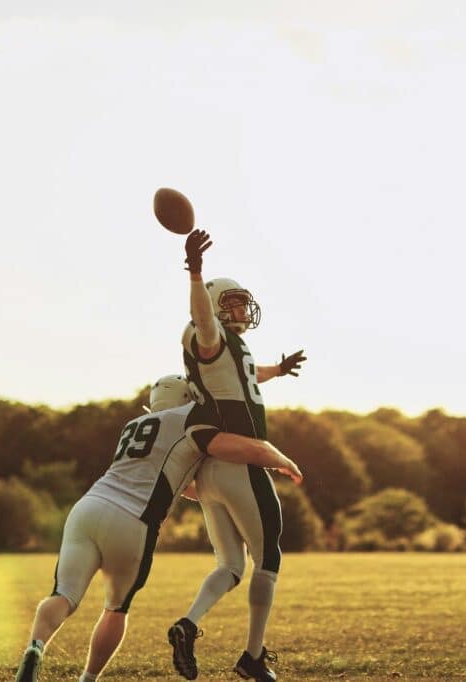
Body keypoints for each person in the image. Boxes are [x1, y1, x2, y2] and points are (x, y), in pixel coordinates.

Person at [14, 375, 303, 682]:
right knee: (115, 609)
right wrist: (279, 458)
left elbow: (177, 482)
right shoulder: (189, 420)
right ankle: (88, 679)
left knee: (64, 595)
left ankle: (36, 646)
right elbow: (237, 448)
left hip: (88, 507)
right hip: (131, 521)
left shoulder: (133, 426)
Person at [168, 230, 306, 682]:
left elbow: (245, 376)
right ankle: (252, 656)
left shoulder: (231, 350)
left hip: (210, 474)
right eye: (234, 303)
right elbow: (202, 318)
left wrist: (279, 371)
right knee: (268, 558)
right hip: (238, 462)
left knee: (230, 565)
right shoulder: (209, 334)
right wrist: (195, 271)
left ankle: (188, 623)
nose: (243, 310)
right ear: (216, 304)